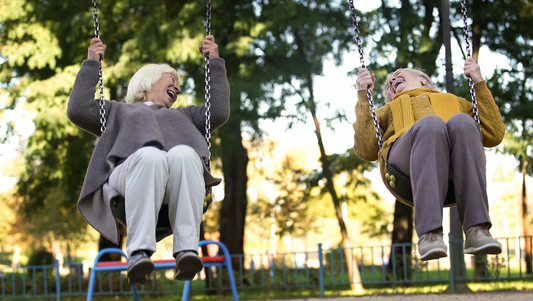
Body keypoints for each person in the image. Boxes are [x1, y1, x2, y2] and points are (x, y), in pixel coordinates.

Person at [67, 36, 230, 283]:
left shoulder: (185, 116)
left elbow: (218, 111)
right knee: (150, 155)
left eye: (178, 83)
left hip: (174, 183)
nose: (178, 87)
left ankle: (187, 250)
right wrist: (92, 63)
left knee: (185, 154)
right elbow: (78, 110)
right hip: (130, 177)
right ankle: (138, 253)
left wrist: (214, 62)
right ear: (148, 81)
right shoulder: (118, 112)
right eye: (172, 80)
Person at [352, 58, 505, 261]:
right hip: (404, 165)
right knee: (431, 124)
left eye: (399, 74)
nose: (391, 80)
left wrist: (478, 81)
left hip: (455, 166)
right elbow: (366, 149)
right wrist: (364, 96)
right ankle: (430, 234)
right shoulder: (386, 111)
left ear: (423, 80)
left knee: (463, 122)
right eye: (388, 85)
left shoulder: (457, 102)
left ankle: (478, 230)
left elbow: (493, 133)